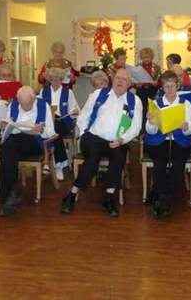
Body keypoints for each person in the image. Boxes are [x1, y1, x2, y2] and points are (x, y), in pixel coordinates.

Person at [60, 68, 142, 217]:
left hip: (118, 140)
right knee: (91, 161)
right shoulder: (99, 94)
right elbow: (83, 116)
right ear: (112, 80)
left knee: (118, 158)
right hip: (94, 137)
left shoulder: (135, 101)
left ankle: (108, 197)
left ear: (129, 84)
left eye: (124, 79)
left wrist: (122, 139)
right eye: (118, 78)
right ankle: (71, 194)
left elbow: (136, 126)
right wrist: (85, 133)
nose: (120, 81)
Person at [0, 86, 56, 217]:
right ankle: (12, 194)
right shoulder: (13, 105)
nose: (24, 107)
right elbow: (8, 125)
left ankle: (9, 193)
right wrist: (4, 127)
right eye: (21, 104)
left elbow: (51, 131)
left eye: (27, 104)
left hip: (34, 143)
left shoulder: (43, 105)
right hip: (15, 143)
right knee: (9, 147)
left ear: (33, 99)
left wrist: (42, 129)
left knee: (7, 150)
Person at [144, 70, 191, 218]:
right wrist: (151, 121)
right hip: (159, 140)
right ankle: (164, 199)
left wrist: (185, 127)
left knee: (178, 166)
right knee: (159, 164)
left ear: (177, 86)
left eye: (172, 86)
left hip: (179, 140)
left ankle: (161, 196)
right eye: (167, 87)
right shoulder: (156, 104)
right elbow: (150, 131)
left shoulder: (185, 104)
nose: (170, 89)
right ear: (162, 88)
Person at [37, 67, 79, 181]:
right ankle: (58, 163)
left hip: (63, 121)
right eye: (53, 79)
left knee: (55, 128)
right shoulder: (43, 91)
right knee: (53, 131)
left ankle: (49, 162)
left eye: (58, 79)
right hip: (47, 121)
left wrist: (74, 111)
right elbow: (38, 107)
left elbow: (73, 107)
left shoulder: (68, 92)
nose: (55, 81)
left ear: (61, 80)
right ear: (49, 80)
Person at [135, 47, 161, 128]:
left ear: (151, 57)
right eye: (144, 57)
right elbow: (133, 81)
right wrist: (136, 85)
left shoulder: (156, 67)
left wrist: (156, 84)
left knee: (152, 110)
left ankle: (153, 128)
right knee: (141, 110)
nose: (146, 59)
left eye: (148, 57)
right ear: (141, 57)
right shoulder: (137, 67)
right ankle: (142, 129)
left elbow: (160, 82)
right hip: (141, 91)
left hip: (152, 91)